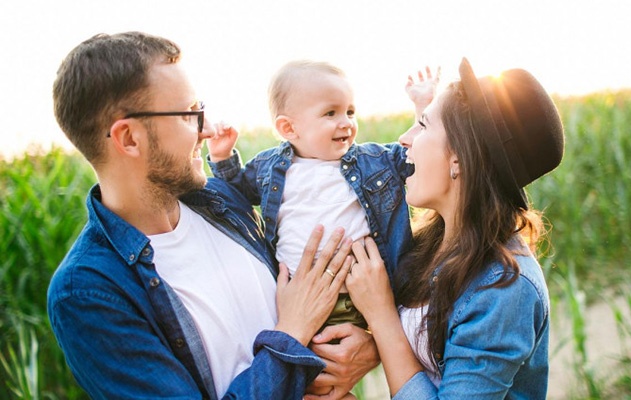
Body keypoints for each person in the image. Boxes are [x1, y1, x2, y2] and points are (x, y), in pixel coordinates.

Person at [47, 31, 377, 400]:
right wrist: (291, 334)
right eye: (189, 114)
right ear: (128, 139)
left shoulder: (222, 203)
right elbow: (297, 320)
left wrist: (367, 346)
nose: (204, 129)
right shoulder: (89, 293)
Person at [345, 57, 564, 398]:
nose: (403, 138)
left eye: (421, 125)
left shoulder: (505, 290)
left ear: (459, 159)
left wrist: (382, 316)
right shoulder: (436, 241)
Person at [207, 61, 437, 331]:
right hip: (296, 300)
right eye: (331, 113)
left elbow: (413, 159)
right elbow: (235, 193)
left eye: (350, 112)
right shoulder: (271, 168)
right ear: (289, 129)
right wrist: (222, 157)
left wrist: (423, 107)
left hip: (361, 298)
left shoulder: (372, 161)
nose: (347, 123)